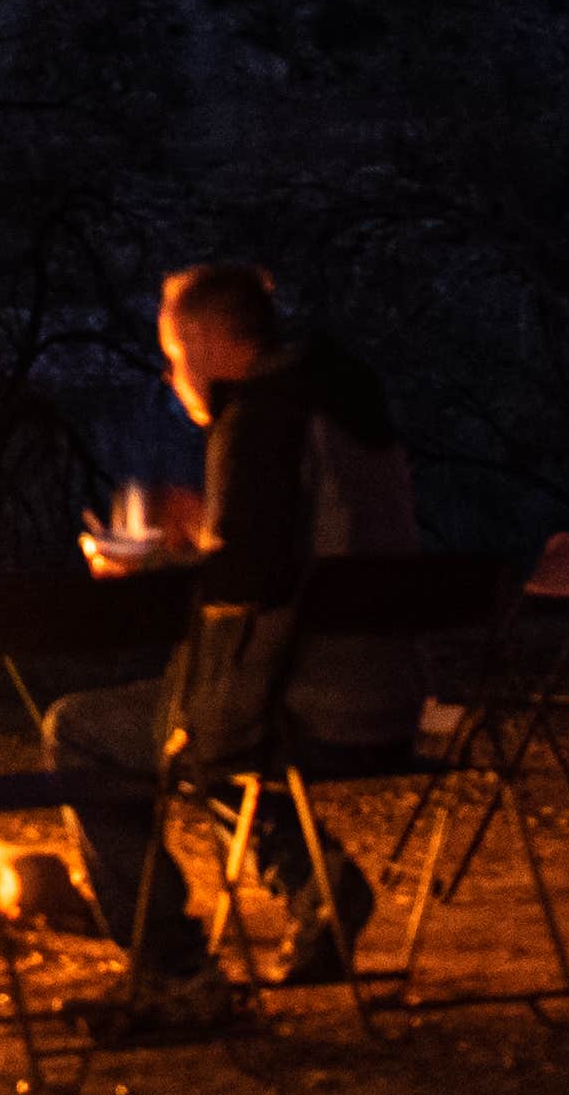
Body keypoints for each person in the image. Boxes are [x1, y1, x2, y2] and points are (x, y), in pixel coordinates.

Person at [46, 263, 394, 1037]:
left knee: (87, 731)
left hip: (303, 697)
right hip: (388, 693)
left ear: (204, 340)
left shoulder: (261, 419)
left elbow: (247, 591)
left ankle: (172, 969)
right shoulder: (345, 403)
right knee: (205, 720)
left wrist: (153, 560)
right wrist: (213, 530)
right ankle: (316, 883)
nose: (174, 376)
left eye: (173, 355)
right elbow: (289, 553)